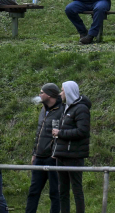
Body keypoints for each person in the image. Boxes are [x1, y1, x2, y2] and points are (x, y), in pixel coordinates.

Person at [52, 81, 91, 213]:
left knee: (76, 190)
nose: (60, 93)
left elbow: (82, 132)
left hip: (74, 156)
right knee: (62, 190)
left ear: (68, 92)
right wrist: (56, 150)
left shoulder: (81, 109)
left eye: (62, 90)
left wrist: (60, 133)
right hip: (62, 155)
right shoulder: (66, 107)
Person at [26, 83, 63, 213]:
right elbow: (38, 134)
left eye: (41, 92)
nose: (39, 95)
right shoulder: (43, 109)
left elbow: (62, 136)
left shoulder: (62, 111)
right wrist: (34, 153)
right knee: (33, 192)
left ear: (49, 94)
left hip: (53, 158)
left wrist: (55, 153)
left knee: (55, 193)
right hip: (39, 158)